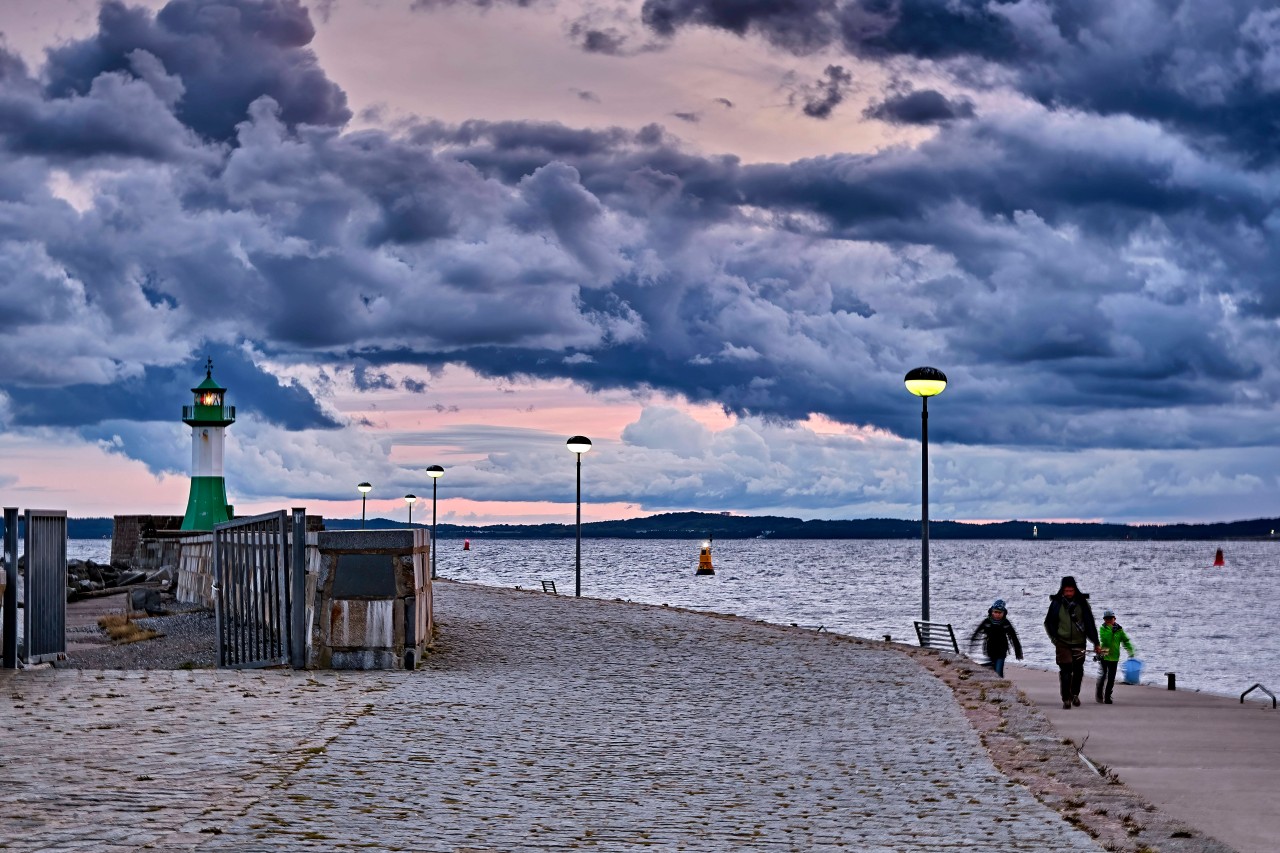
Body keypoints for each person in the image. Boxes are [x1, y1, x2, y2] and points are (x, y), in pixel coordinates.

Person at [1043, 576, 1100, 710]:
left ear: (1075, 590)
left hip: (1080, 642)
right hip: (1062, 642)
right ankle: (1066, 698)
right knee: (1065, 670)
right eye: (1066, 591)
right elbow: (1048, 622)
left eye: (1071, 591)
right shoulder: (1056, 603)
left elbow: (1089, 624)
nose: (1069, 593)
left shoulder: (1082, 604)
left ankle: (1075, 694)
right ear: (1062, 590)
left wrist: (1096, 642)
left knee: (1078, 670)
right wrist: (1054, 639)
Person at [969, 599, 1023, 677]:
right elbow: (977, 633)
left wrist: (1018, 652)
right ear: (991, 612)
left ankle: (1001, 685)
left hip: (1002, 650)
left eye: (999, 613)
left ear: (1004, 613)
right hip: (990, 649)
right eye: (995, 612)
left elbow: (1013, 637)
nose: (997, 614)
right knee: (993, 669)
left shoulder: (1005, 623)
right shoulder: (987, 622)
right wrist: (972, 644)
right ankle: (994, 682)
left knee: (998, 671)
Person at [1095, 609, 1136, 704]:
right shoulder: (1103, 628)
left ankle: (1108, 696)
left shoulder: (1120, 630)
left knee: (1111, 678)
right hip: (1104, 655)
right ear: (1104, 620)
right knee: (1104, 675)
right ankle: (1099, 693)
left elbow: (1125, 641)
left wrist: (1130, 651)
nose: (1108, 620)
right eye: (1106, 619)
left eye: (1110, 618)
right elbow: (1106, 641)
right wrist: (1111, 630)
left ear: (1115, 619)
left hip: (1114, 657)